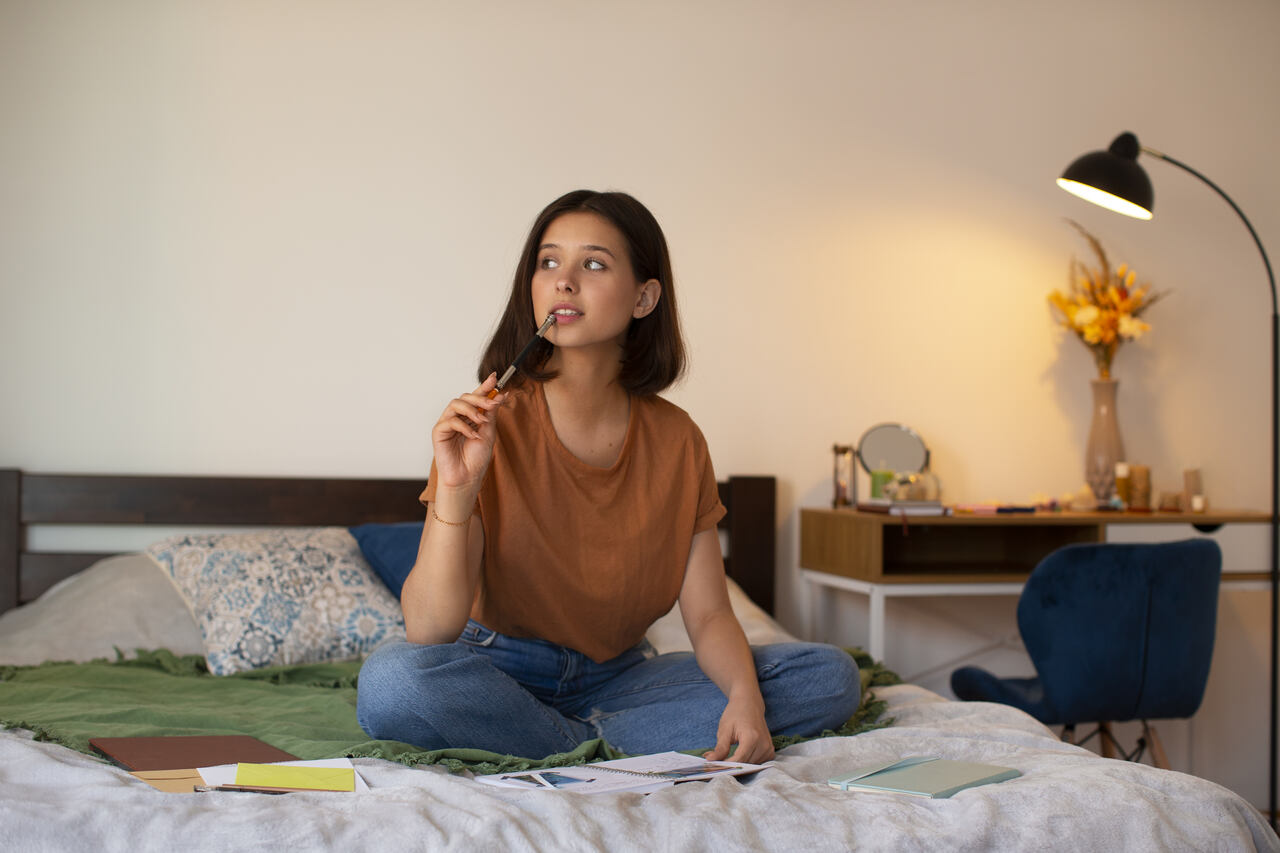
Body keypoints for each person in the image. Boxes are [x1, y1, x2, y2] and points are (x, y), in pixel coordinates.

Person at [357, 190, 860, 763]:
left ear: (644, 298)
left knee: (827, 675)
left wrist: (744, 698)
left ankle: (559, 743)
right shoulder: (487, 426)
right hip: (495, 675)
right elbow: (428, 632)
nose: (562, 281)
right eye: (548, 262)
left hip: (622, 681)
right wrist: (457, 487)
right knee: (393, 682)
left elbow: (710, 614)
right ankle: (593, 746)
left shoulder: (679, 440)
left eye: (592, 264)